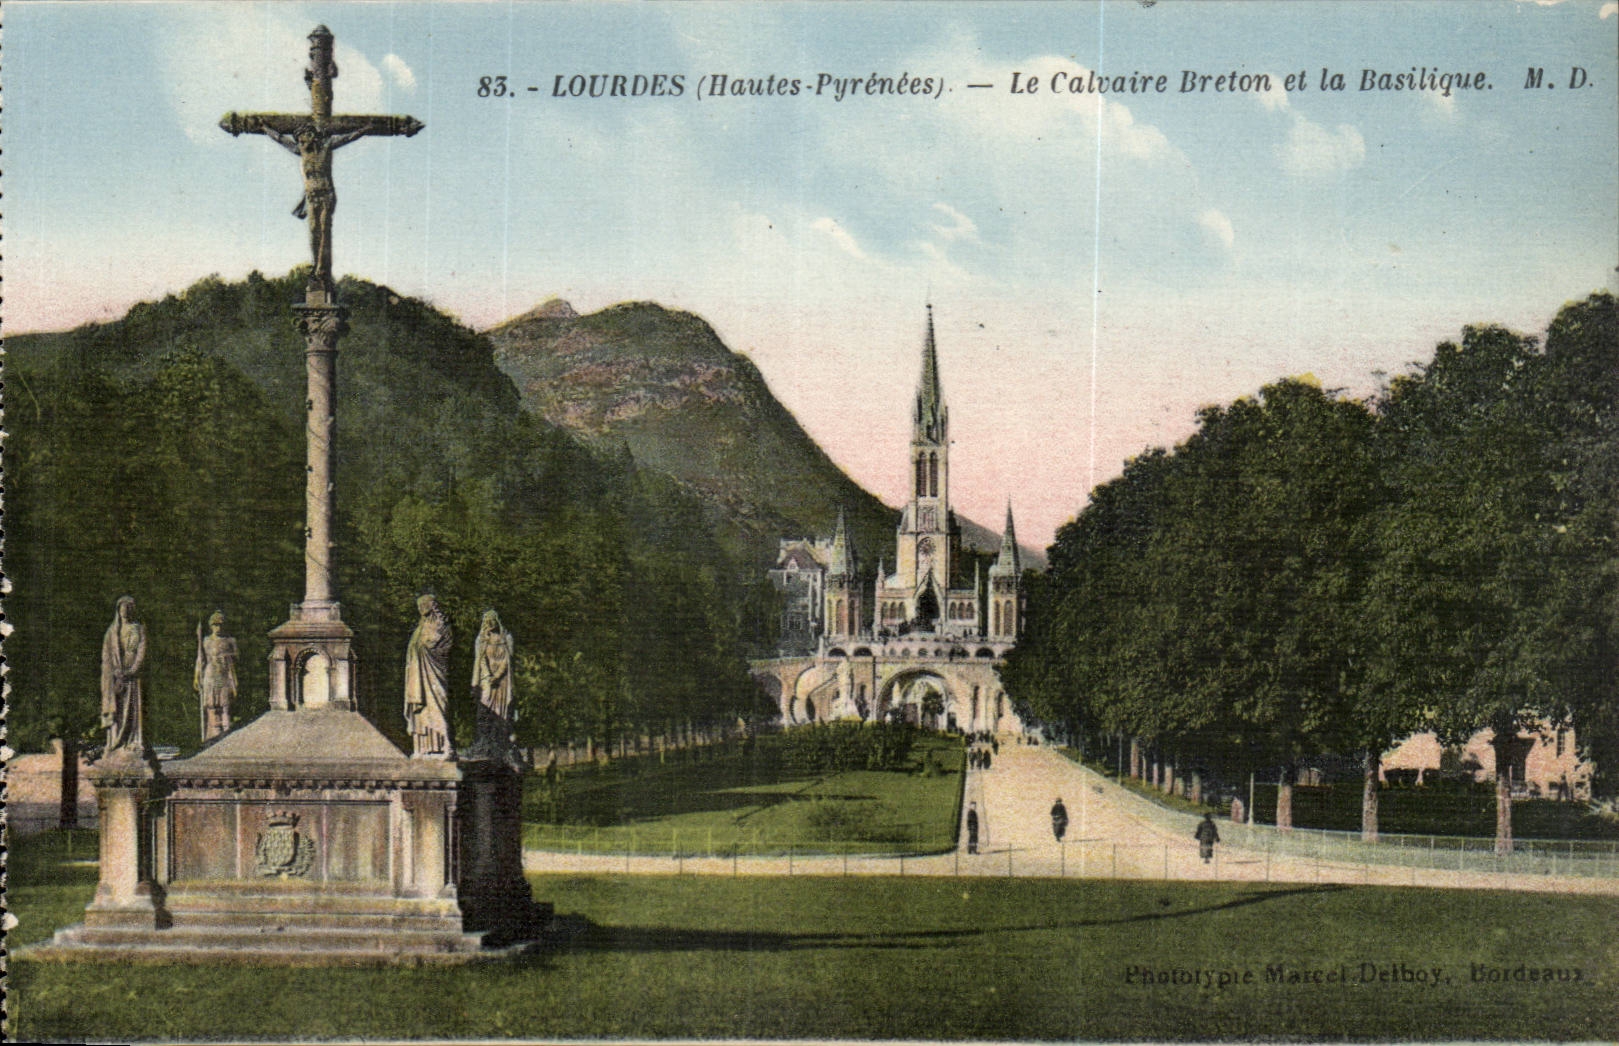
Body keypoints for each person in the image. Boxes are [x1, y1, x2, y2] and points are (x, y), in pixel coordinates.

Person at [404, 594, 454, 758]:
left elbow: (443, 649)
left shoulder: (441, 626)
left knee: (437, 707)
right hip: (417, 676)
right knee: (422, 711)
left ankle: (446, 745)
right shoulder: (420, 628)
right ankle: (423, 747)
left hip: (433, 674)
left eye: (423, 605)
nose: (420, 608)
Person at [100, 596, 146, 754]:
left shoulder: (139, 628)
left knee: (132, 709)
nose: (125, 611)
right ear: (118, 610)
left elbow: (142, 651)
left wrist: (132, 670)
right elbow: (106, 655)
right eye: (122, 608)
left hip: (132, 675)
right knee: (116, 707)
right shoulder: (112, 631)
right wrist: (115, 671)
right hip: (115, 675)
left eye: (128, 608)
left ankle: (132, 741)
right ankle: (115, 741)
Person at [470, 608, 515, 760]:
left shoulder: (505, 637)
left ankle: (500, 741)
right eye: (487, 622)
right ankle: (484, 741)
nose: (489, 625)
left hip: (501, 681)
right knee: (485, 706)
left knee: (501, 710)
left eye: (492, 621)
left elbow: (508, 660)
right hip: (486, 680)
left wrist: (497, 675)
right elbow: (480, 658)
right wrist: (488, 675)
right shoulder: (481, 639)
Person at [194, 610, 239, 743]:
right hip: (210, 674)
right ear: (210, 626)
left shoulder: (230, 641)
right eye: (215, 625)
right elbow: (200, 659)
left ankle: (226, 733)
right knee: (212, 705)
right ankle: (213, 734)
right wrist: (197, 676)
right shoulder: (206, 641)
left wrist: (227, 658)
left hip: (224, 674)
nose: (218, 628)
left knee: (225, 705)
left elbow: (236, 659)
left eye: (220, 625)